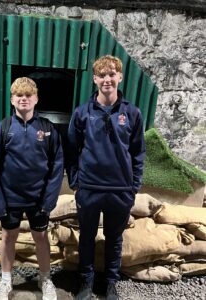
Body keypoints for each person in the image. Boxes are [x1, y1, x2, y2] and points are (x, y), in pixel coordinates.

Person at [67, 55, 146, 300]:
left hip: (120, 190)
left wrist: (133, 186)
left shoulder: (132, 113)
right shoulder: (82, 112)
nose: (107, 80)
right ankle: (86, 282)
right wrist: (75, 182)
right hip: (89, 188)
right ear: (94, 79)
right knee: (87, 237)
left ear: (120, 77)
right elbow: (71, 149)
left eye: (112, 74)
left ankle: (111, 283)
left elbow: (138, 152)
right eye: (102, 75)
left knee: (114, 239)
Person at [0, 77, 64, 300]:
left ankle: (45, 278)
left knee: (41, 236)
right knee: (9, 236)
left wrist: (49, 201)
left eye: (28, 95)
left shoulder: (48, 130)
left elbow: (57, 166)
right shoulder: (1, 129)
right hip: (10, 198)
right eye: (19, 95)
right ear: (12, 99)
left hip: (38, 199)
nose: (24, 99)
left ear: (36, 99)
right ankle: (6, 280)